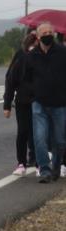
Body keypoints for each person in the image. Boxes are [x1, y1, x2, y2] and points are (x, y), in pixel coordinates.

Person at [22, 22, 66, 183]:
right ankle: (45, 170)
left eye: (50, 32)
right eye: (44, 32)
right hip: (39, 103)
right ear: (38, 36)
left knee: (60, 140)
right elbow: (25, 78)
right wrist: (34, 93)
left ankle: (56, 166)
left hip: (60, 104)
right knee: (39, 138)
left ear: (53, 34)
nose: (47, 34)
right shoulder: (32, 56)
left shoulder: (62, 52)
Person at [3, 31, 37, 175]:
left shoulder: (45, 57)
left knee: (37, 132)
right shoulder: (20, 56)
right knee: (23, 131)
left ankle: (36, 160)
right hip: (23, 100)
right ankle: (21, 162)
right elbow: (10, 79)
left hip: (41, 100)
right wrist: (7, 104)